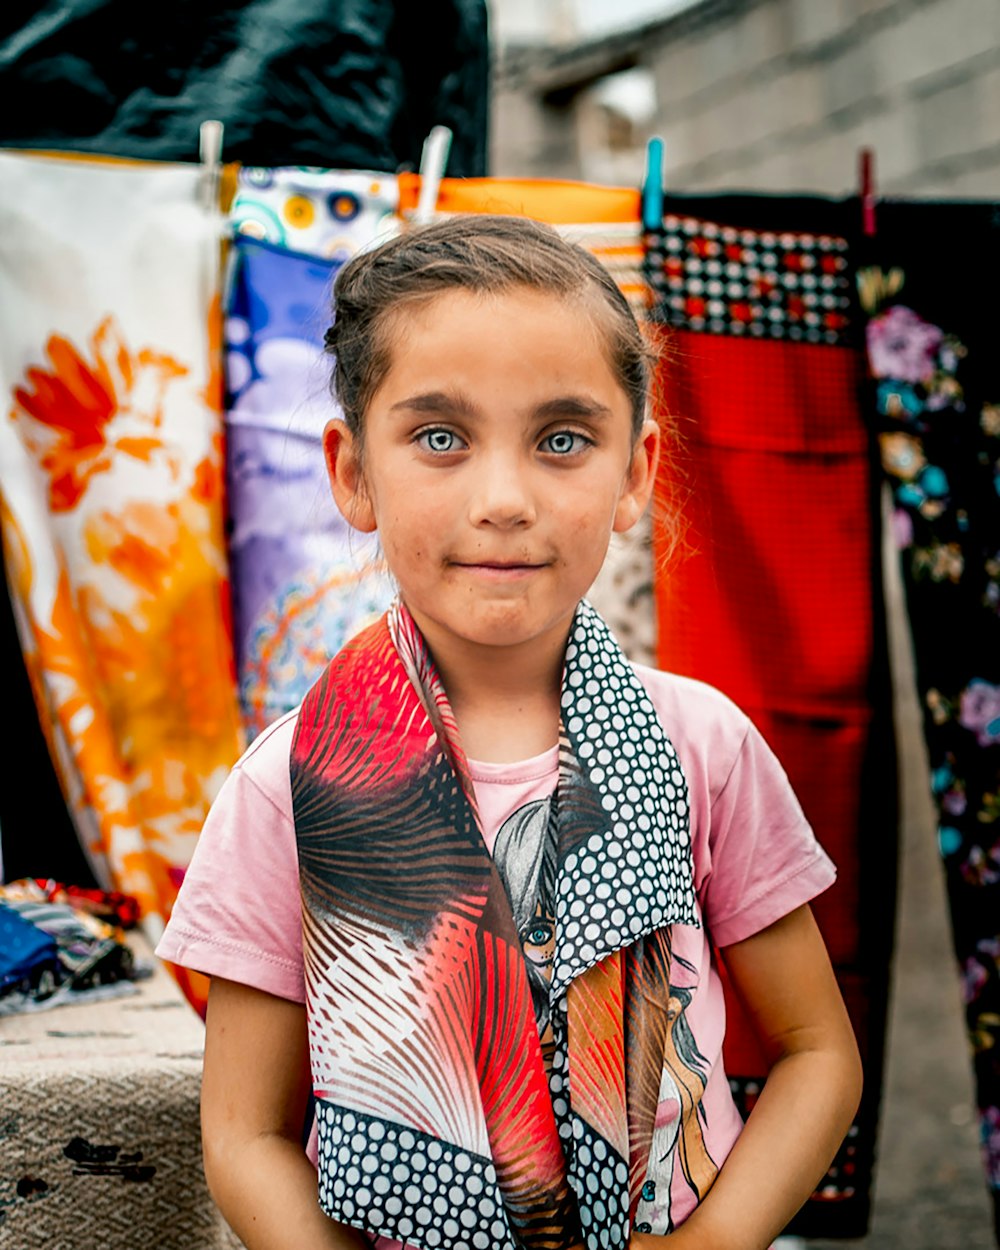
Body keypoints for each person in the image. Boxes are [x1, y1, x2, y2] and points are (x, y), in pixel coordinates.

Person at [156, 213, 863, 1250]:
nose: (502, 498)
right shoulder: (285, 788)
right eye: (439, 436)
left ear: (633, 472)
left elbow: (816, 1052)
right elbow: (247, 1130)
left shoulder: (699, 744)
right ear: (352, 472)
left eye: (562, 439)